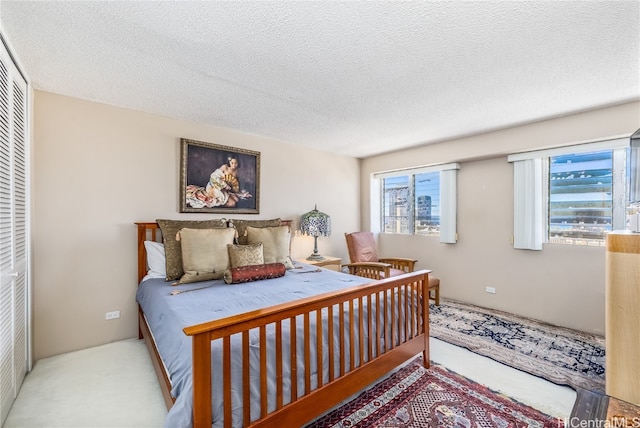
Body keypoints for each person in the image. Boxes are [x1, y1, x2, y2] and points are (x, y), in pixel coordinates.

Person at [185, 155, 252, 209]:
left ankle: (223, 201)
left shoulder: (236, 171)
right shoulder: (224, 167)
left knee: (237, 199)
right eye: (232, 163)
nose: (234, 165)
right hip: (214, 187)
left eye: (236, 163)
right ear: (229, 162)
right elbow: (213, 177)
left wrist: (233, 188)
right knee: (232, 203)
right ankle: (218, 209)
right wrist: (224, 185)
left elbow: (235, 183)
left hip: (226, 190)